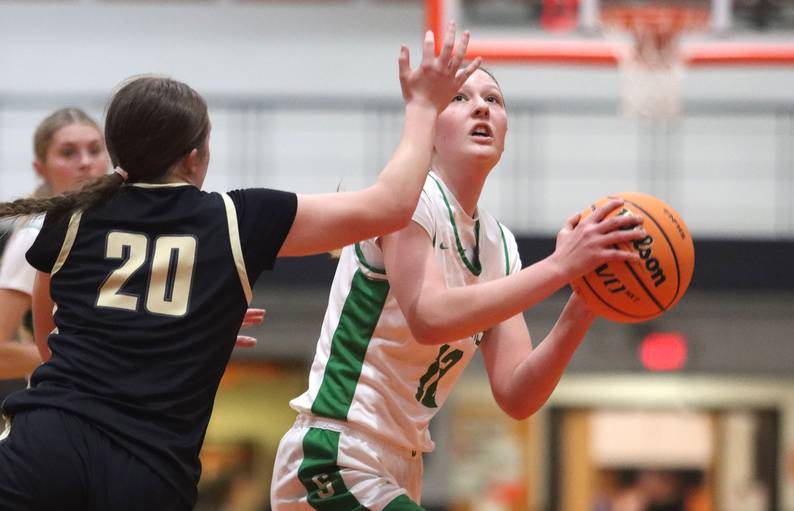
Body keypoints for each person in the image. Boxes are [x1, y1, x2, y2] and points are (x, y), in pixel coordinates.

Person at [0, 23, 480, 511]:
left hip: (43, 448)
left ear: (118, 153)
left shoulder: (71, 216)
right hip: (147, 470)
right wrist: (422, 108)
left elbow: (49, 344)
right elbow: (391, 205)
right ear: (195, 157)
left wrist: (165, 334)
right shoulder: (235, 218)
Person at [270, 67, 647, 510]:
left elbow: (517, 393)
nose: (482, 106)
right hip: (335, 452)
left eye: (495, 100)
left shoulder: (499, 246)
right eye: (461, 98)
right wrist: (561, 266)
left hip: (401, 466)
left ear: (506, 133)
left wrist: (584, 302)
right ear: (429, 129)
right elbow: (429, 316)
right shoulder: (408, 200)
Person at [0, 108, 108, 390]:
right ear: (41, 168)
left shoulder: (123, 228)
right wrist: (84, 359)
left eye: (95, 150)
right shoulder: (34, 236)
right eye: (68, 153)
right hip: (56, 407)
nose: (85, 162)